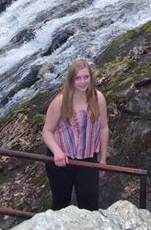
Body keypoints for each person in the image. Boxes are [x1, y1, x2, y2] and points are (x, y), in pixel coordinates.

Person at [42, 59, 109, 210]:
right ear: (71, 80)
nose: (82, 82)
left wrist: (103, 159)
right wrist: (57, 152)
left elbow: (104, 128)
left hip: (87, 157)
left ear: (91, 78)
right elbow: (47, 131)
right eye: (78, 78)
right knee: (61, 202)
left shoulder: (98, 99)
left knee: (90, 203)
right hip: (62, 159)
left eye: (86, 77)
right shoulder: (60, 101)